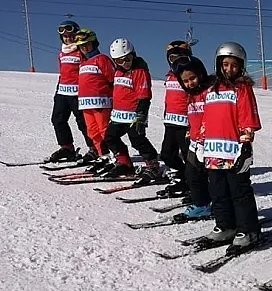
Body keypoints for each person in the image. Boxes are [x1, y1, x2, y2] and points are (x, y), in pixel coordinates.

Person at [199, 42, 262, 253]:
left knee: (239, 191)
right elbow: (205, 118)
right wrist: (200, 141)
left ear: (241, 67)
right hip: (213, 151)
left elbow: (247, 118)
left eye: (234, 65)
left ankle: (248, 229)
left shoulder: (242, 88)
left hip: (234, 151)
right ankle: (226, 225)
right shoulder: (210, 89)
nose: (229, 69)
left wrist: (246, 145)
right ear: (218, 64)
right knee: (217, 191)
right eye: (225, 64)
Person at [103, 38, 161, 179]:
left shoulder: (139, 71)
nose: (124, 63)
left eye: (127, 59)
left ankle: (153, 165)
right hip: (118, 116)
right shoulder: (118, 72)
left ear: (133, 54)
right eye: (119, 61)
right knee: (110, 137)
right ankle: (124, 163)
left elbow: (144, 95)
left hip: (134, 115)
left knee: (137, 140)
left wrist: (141, 115)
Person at [47, 20, 97, 163]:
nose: (68, 38)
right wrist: (58, 89)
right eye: (65, 37)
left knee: (83, 122)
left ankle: (94, 148)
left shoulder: (81, 51)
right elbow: (63, 72)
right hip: (63, 91)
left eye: (70, 36)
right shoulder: (61, 53)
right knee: (58, 119)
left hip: (78, 93)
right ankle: (67, 148)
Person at [172, 56, 213, 218]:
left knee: (212, 177)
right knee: (192, 175)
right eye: (185, 81)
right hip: (195, 143)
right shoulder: (191, 96)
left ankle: (214, 203)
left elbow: (211, 119)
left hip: (209, 143)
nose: (190, 83)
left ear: (201, 74)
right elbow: (193, 118)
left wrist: (203, 139)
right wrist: (190, 133)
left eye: (193, 78)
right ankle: (202, 203)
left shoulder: (209, 93)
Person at [73, 28, 115, 171]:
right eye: (81, 45)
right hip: (85, 103)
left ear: (94, 43)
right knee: (92, 130)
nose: (84, 48)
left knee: (104, 129)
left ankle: (114, 155)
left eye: (87, 44)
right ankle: (101, 154)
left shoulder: (102, 59)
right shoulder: (83, 63)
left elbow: (111, 79)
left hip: (101, 101)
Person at [158, 41, 194, 196]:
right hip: (171, 121)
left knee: (190, 157)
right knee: (167, 153)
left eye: (181, 57)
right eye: (173, 58)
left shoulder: (190, 76)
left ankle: (195, 184)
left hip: (186, 123)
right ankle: (182, 177)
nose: (177, 61)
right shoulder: (170, 75)